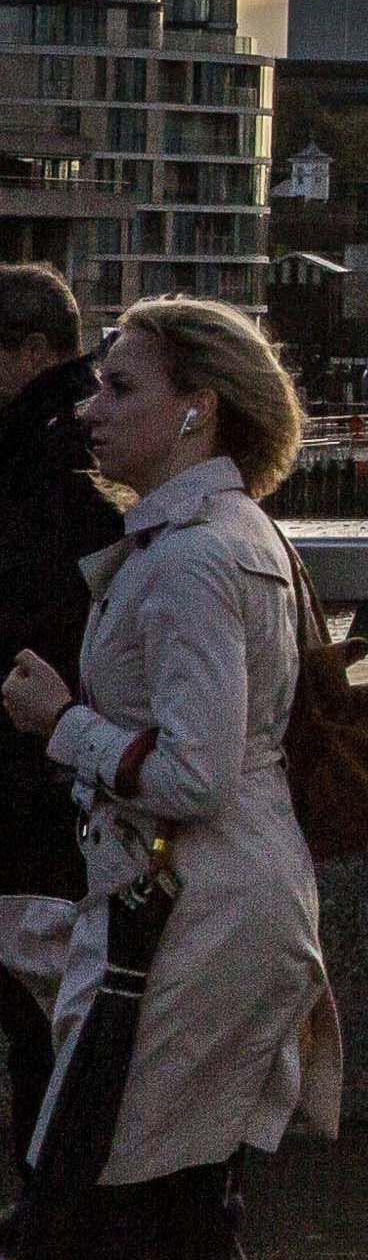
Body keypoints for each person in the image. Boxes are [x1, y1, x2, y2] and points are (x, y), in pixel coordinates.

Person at [0, 298, 336, 1260]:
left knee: (82, 1215)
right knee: (191, 1205)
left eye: (118, 388)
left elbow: (190, 768)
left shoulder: (194, 556)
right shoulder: (233, 534)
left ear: (196, 406)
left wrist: (63, 721)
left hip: (192, 910)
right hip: (225, 900)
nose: (89, 410)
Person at [0, 261, 117, 1137]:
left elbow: (33, 596)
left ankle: (54, 1193)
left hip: (40, 748)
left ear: (32, 348)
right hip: (59, 748)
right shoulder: (81, 435)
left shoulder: (48, 451)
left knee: (39, 982)